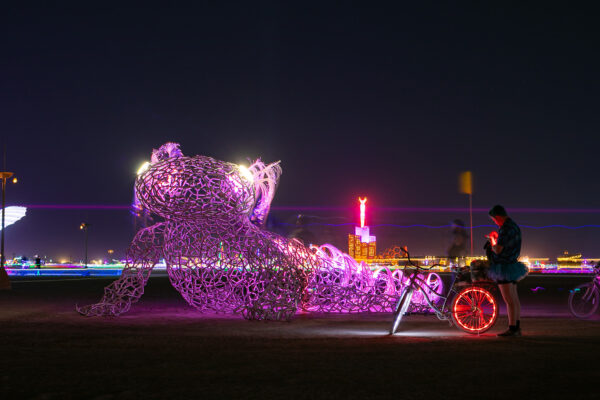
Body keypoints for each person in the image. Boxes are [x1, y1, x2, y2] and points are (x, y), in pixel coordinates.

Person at [484, 204, 528, 337]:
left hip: (504, 267)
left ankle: (512, 329)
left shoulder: (505, 228)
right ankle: (517, 327)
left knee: (509, 300)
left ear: (497, 217)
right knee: (514, 300)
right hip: (513, 265)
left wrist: (492, 241)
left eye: (494, 220)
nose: (495, 222)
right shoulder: (514, 226)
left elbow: (498, 249)